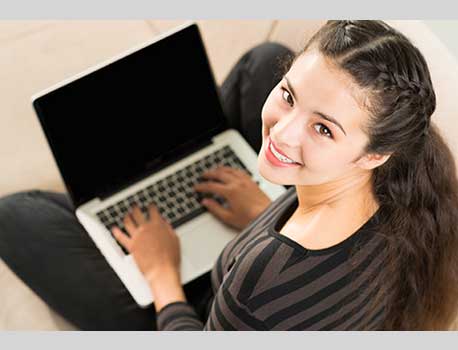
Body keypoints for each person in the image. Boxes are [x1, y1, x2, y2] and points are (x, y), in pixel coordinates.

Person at [1, 20, 458, 331]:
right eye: (289, 94)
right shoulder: (407, 187)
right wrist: (267, 210)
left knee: (18, 216)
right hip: (265, 277)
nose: (281, 131)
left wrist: (162, 274)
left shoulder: (257, 280)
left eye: (323, 128)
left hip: (201, 311)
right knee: (264, 60)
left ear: (373, 155)